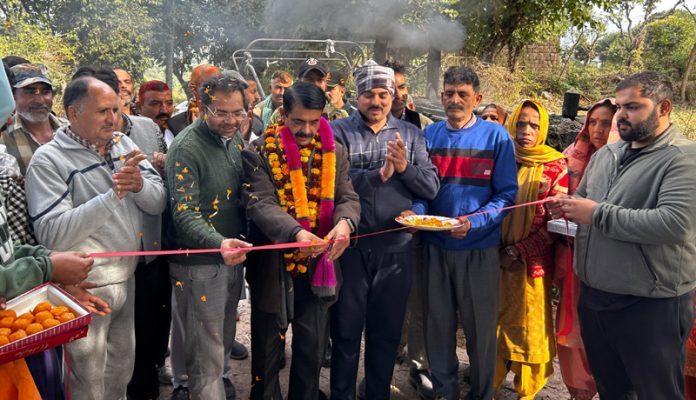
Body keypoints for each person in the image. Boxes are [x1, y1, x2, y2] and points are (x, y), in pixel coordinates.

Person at [548, 71, 696, 399]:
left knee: (657, 392)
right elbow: (584, 204)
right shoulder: (606, 155)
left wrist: (595, 213)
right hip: (596, 297)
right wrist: (567, 207)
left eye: (633, 107)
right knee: (612, 389)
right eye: (619, 107)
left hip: (651, 304)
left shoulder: (684, 157)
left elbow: (675, 223)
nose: (622, 115)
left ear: (664, 107)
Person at [25, 76, 166, 399]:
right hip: (82, 288)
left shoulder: (123, 144)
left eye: (116, 109)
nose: (113, 119)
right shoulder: (49, 161)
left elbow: (157, 202)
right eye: (103, 111)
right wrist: (113, 194)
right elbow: (52, 231)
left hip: (125, 279)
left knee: (120, 371)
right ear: (74, 114)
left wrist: (140, 186)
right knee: (86, 380)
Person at [242, 81, 360, 400]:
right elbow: (261, 203)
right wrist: (295, 233)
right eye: (298, 122)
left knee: (312, 345)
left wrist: (345, 225)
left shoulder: (335, 150)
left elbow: (347, 196)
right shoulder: (259, 151)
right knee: (268, 347)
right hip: (273, 264)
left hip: (320, 262)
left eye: (314, 120)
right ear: (283, 114)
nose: (306, 130)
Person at [329, 60, 439, 400]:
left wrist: (404, 167)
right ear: (355, 97)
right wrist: (377, 175)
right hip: (351, 248)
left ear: (393, 96)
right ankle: (342, 395)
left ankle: (377, 393)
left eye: (382, 94)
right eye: (367, 95)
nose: (375, 102)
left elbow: (431, 187)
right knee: (346, 331)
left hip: (396, 249)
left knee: (386, 334)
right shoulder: (337, 132)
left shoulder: (410, 134)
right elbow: (333, 184)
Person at [405, 66, 517, 400]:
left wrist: (474, 222)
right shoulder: (430, 136)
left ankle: (481, 392)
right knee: (438, 326)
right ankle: (445, 390)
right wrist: (419, 216)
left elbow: (506, 195)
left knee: (480, 329)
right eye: (449, 93)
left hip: (479, 249)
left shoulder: (497, 137)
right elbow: (423, 190)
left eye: (463, 94)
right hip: (435, 247)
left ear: (477, 99)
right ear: (441, 96)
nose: (455, 100)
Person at [165, 74, 252, 400]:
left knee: (220, 341)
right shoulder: (186, 148)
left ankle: (214, 384)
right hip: (199, 264)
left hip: (231, 258)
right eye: (221, 112)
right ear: (202, 107)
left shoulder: (234, 141)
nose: (230, 121)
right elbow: (184, 213)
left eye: (237, 113)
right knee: (204, 354)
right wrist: (218, 243)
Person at [494, 99, 567, 399]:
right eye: (521, 123)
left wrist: (517, 251)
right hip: (495, 259)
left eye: (534, 125)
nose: (527, 130)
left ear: (543, 129)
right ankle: (490, 381)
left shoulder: (555, 165)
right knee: (495, 325)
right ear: (511, 125)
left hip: (531, 264)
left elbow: (555, 224)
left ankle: (527, 390)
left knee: (530, 330)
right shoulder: (501, 158)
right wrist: (500, 250)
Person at [554, 98, 617, 400]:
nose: (598, 129)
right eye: (593, 122)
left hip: (612, 265)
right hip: (572, 257)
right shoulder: (572, 157)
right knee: (571, 326)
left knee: (606, 331)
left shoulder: (629, 164)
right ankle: (578, 390)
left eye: (606, 122)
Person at [0, 63, 65, 175]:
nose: (39, 100)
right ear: (13, 96)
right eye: (30, 92)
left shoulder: (71, 130)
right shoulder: (3, 138)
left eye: (45, 92)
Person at [168, 64, 221, 135]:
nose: (218, 90)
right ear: (193, 89)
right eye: (210, 86)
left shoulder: (232, 118)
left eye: (221, 85)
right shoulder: (174, 125)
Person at [382, 60, 433, 129]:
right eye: (392, 89)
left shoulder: (424, 125)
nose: (399, 95)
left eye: (402, 87)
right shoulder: (369, 124)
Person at [137, 80, 175, 148]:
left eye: (169, 103)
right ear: (139, 107)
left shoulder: (179, 131)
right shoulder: (130, 137)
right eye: (155, 104)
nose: (164, 110)